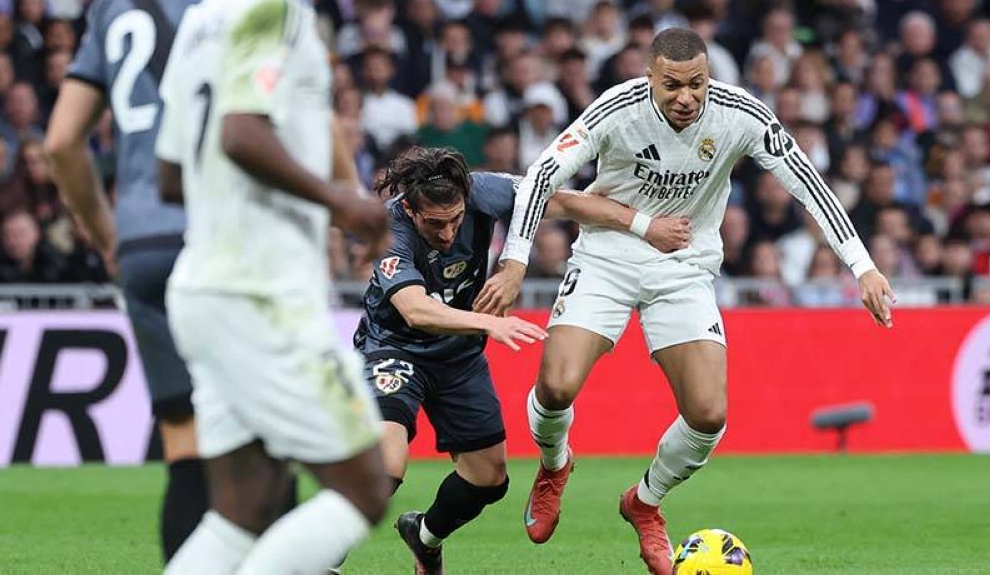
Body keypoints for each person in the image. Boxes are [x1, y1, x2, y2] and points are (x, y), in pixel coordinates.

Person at [475, 28, 896, 574]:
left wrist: (862, 266)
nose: (686, 97)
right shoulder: (617, 109)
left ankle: (644, 501)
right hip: (606, 258)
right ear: (650, 76)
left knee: (708, 413)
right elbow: (541, 176)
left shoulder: (740, 114)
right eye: (672, 85)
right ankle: (555, 464)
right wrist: (515, 261)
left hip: (684, 267)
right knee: (556, 387)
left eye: (696, 84)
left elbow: (808, 184)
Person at [349, 146, 691, 575]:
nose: (449, 233)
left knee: (488, 479)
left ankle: (424, 536)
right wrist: (489, 324)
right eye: (435, 223)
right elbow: (415, 309)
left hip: (458, 356)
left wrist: (645, 225)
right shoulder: (388, 227)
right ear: (411, 210)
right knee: (386, 465)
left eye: (456, 220)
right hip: (395, 348)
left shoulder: (484, 191)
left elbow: (564, 202)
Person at [155, 1, 392, 573]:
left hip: (204, 286)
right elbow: (240, 134)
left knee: (244, 510)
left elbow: (171, 175)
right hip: (262, 292)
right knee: (364, 489)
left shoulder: (199, 22)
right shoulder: (274, 10)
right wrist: (341, 203)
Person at [43, 0, 207, 561]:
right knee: (256, 442)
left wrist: (107, 235)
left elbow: (61, 142)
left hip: (141, 242)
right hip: (217, 234)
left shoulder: (111, 9)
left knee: (184, 445)